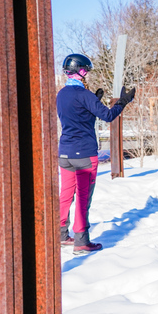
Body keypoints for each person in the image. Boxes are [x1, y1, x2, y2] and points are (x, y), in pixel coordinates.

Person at [57, 53, 135, 254]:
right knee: (83, 197)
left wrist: (93, 103)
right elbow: (108, 116)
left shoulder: (62, 94)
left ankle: (60, 234)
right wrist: (122, 102)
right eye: (87, 72)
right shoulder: (84, 95)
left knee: (65, 194)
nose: (88, 76)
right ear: (81, 71)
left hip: (65, 153)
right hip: (84, 154)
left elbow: (77, 117)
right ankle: (81, 241)